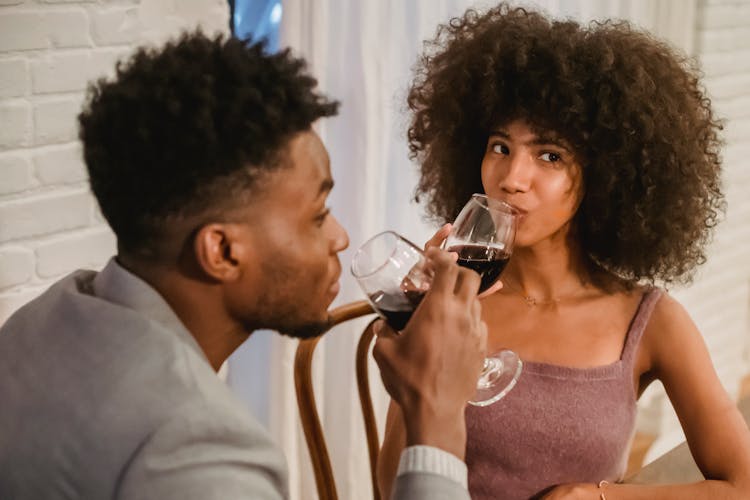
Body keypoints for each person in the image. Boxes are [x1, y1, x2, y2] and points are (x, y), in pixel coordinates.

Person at [0, 32, 487, 499]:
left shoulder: (42, 320)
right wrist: (437, 410)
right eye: (317, 216)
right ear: (223, 252)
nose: (339, 237)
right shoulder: (196, 450)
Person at [378, 3, 750, 499]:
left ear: (607, 173)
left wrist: (597, 497)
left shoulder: (650, 321)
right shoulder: (451, 308)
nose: (512, 180)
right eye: (500, 147)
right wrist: (418, 327)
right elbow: (391, 488)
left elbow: (741, 482)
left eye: (549, 155)